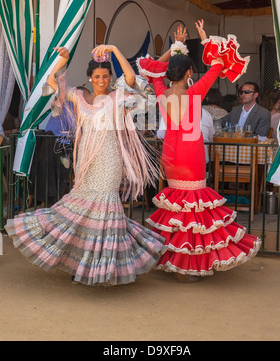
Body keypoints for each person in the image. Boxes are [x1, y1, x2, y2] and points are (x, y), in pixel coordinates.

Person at [5, 44, 166, 286]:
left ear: (110, 78)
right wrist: (63, 61)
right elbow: (51, 81)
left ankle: (101, 268)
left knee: (104, 209)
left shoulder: (116, 97)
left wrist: (113, 49)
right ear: (90, 78)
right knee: (81, 210)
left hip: (109, 160)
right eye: (97, 76)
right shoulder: (77, 96)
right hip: (85, 162)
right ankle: (81, 264)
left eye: (105, 76)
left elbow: (131, 78)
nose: (101, 80)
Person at [137, 21, 261, 281]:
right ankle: (189, 266)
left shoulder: (160, 91)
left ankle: (177, 262)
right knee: (193, 210)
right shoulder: (194, 93)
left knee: (177, 208)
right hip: (191, 155)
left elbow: (151, 69)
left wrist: (175, 48)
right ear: (189, 72)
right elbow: (217, 64)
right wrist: (203, 38)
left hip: (171, 154)